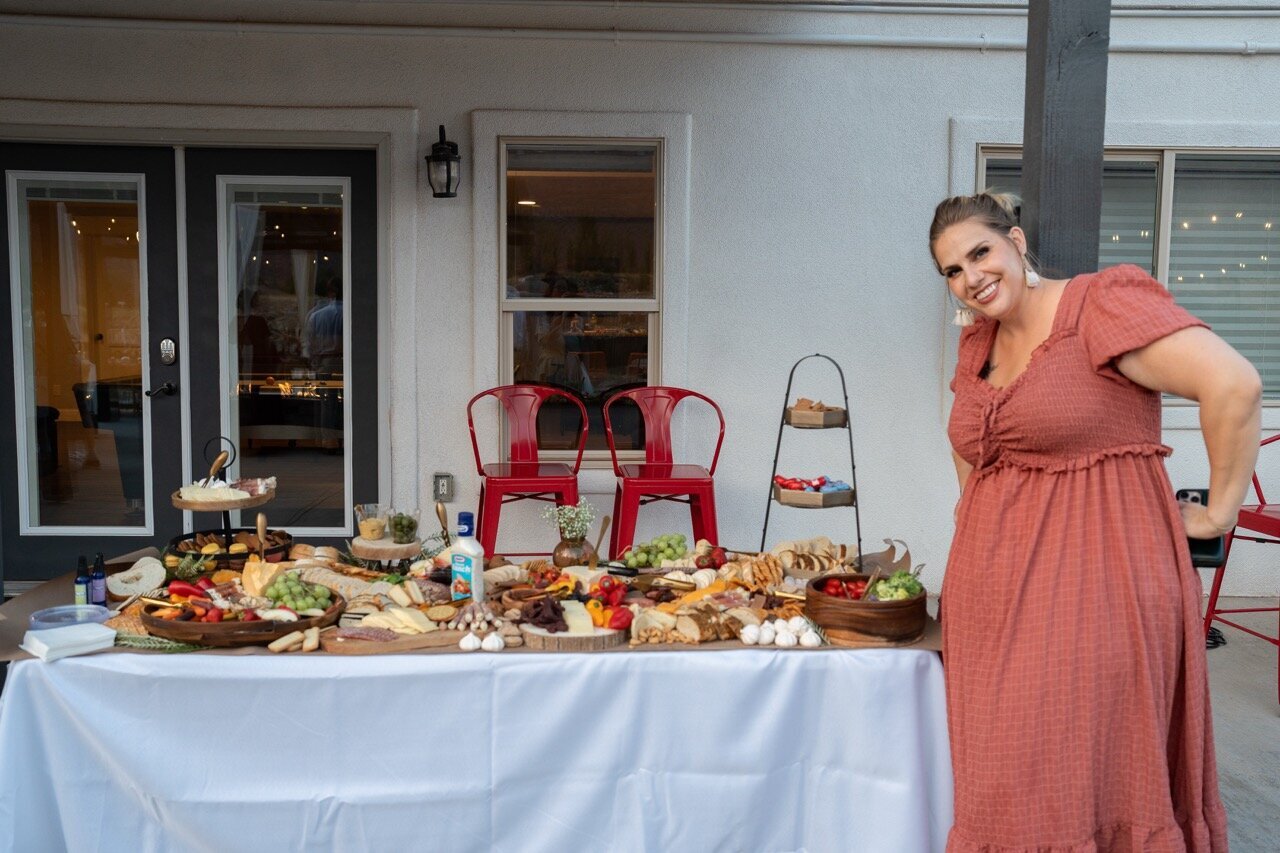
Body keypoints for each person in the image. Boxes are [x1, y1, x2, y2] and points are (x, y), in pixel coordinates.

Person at [931, 191, 1259, 852]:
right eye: (952, 270)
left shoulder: (1097, 306)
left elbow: (1234, 383)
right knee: (1002, 776)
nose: (971, 276)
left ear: (1016, 243)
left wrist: (1219, 510)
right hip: (993, 606)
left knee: (1084, 774)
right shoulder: (980, 343)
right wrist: (978, 518)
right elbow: (970, 445)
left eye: (980, 252)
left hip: (1095, 590)